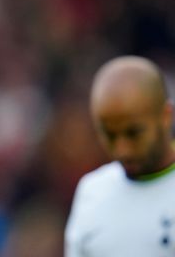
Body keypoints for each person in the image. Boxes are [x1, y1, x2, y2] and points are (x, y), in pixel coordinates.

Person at [65, 55, 175, 256]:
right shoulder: (91, 192)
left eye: (133, 133)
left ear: (166, 116)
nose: (122, 149)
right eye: (109, 135)